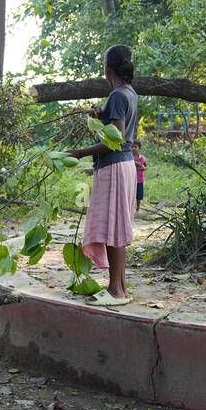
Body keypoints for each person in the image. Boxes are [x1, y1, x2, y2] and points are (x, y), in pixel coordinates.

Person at [68, 44, 139, 306]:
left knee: (114, 229)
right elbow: (113, 130)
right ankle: (119, 287)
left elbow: (116, 139)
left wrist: (80, 153)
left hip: (114, 167)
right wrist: (100, 118)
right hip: (124, 166)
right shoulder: (129, 93)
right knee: (116, 227)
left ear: (107, 69)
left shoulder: (118, 96)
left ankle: (115, 291)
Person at [132, 140, 147, 211]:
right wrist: (135, 163)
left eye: (135, 147)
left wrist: (143, 168)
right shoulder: (129, 157)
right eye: (132, 147)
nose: (133, 148)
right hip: (131, 179)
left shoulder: (142, 158)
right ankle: (131, 207)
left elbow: (146, 167)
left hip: (139, 180)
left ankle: (138, 208)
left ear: (139, 149)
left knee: (138, 195)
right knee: (131, 194)